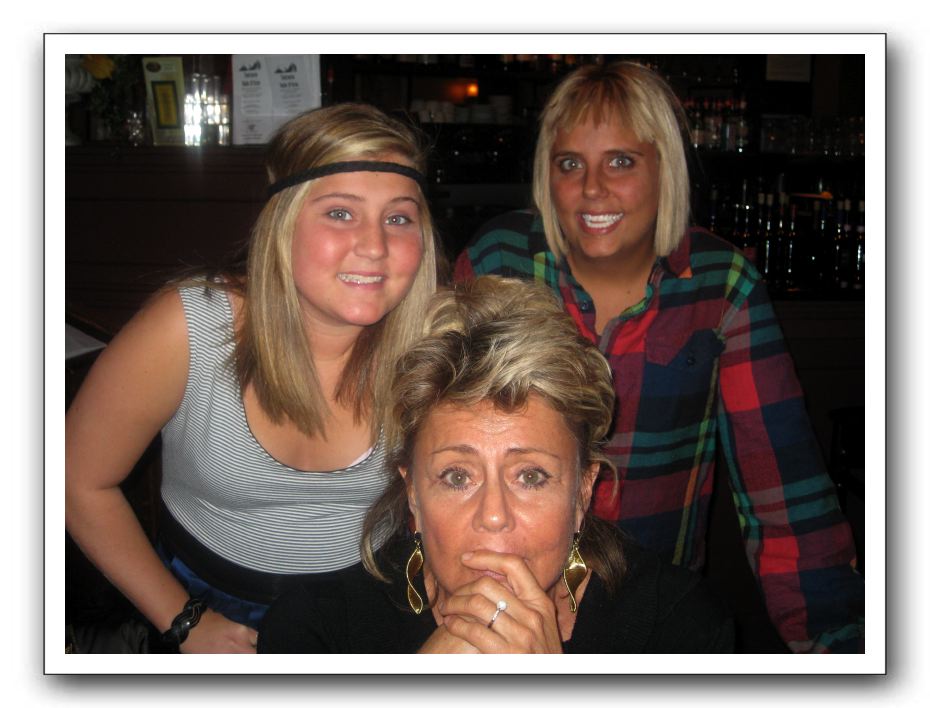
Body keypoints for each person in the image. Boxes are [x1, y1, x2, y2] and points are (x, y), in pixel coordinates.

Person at [453, 62, 864, 653]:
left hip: (652, 617)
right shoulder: (498, 261)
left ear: (665, 169)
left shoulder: (721, 284)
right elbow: (433, 442)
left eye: (621, 161)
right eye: (570, 164)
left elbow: (786, 495)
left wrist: (842, 648)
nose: (592, 188)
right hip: (499, 601)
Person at [65, 103, 439, 653]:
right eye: (340, 212)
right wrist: (184, 620)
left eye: (399, 218)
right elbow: (76, 480)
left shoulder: (436, 344)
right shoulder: (191, 328)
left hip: (367, 609)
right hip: (204, 605)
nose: (374, 245)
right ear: (283, 223)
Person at [258, 276, 734, 653]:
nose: (492, 516)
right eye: (457, 476)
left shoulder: (677, 628)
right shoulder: (316, 633)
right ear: (413, 493)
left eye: (530, 476)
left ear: (582, 493)